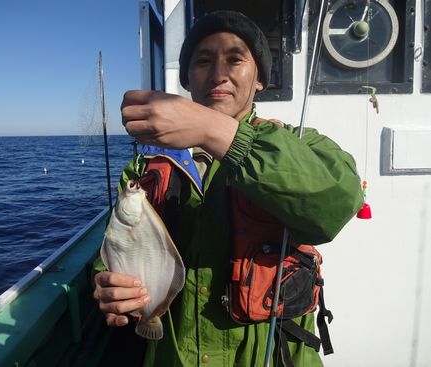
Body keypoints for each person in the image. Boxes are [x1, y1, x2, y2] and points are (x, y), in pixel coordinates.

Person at [94, 10, 363, 367]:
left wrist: (214, 130)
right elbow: (116, 243)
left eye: (235, 59)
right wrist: (107, 281)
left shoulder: (301, 144)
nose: (218, 74)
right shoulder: (145, 166)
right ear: (188, 79)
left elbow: (336, 203)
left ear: (259, 79)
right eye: (203, 62)